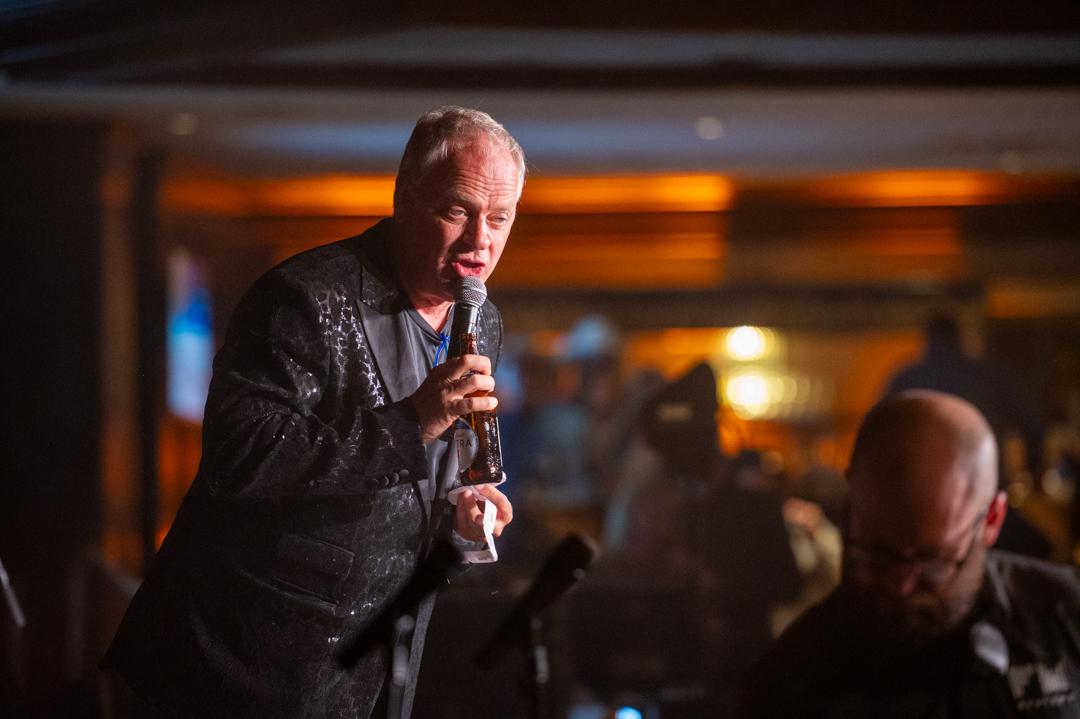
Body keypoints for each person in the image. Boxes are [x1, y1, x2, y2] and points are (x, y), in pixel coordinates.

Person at [102, 106, 520, 719]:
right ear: (405, 196)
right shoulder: (304, 295)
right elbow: (242, 455)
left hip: (368, 667)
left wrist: (457, 517)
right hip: (235, 666)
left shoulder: (482, 319)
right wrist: (412, 423)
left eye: (500, 217)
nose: (480, 239)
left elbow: (407, 488)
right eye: (457, 210)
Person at [741, 390, 1080, 718]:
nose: (901, 585)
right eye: (876, 555)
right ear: (852, 503)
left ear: (992, 519)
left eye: (932, 560)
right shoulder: (789, 681)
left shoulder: (1066, 615)